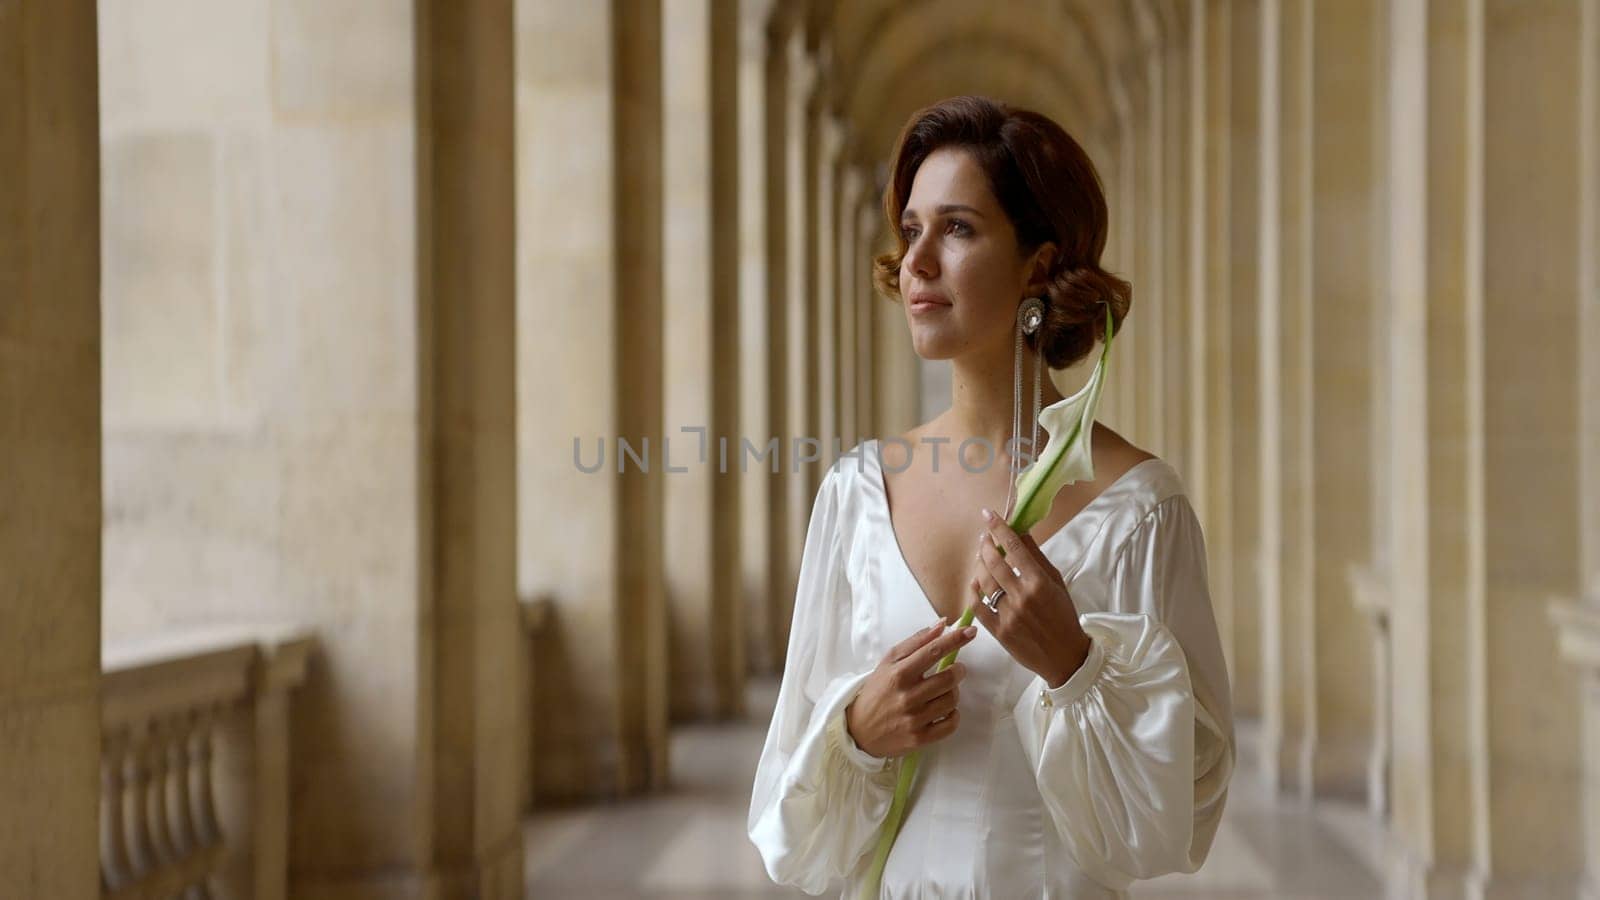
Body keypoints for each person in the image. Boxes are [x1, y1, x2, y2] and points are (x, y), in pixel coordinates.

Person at [747, 96, 1235, 899]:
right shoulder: (857, 494)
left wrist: (1075, 668)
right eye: (911, 231)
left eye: (958, 228)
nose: (918, 261)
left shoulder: (1141, 510)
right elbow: (793, 825)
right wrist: (859, 735)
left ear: (1038, 268)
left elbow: (1183, 808)